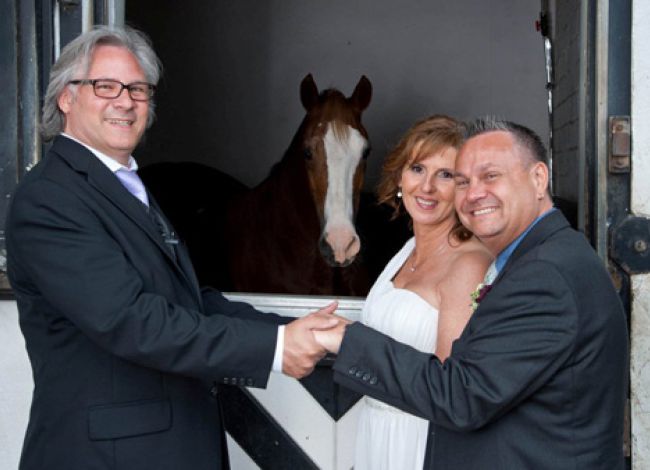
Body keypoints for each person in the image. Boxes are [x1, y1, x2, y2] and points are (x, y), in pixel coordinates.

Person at [6, 25, 338, 470]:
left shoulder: (123, 185)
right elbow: (132, 321)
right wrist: (275, 347)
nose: (125, 101)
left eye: (138, 88)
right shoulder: (51, 197)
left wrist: (295, 328)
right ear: (66, 98)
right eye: (105, 86)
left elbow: (188, 301)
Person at [315, 117, 628, 469]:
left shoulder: (545, 275)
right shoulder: (545, 257)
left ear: (539, 179)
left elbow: (461, 395)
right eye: (464, 181)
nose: (474, 193)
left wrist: (347, 340)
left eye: (491, 176)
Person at [353, 115, 492, 469]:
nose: (427, 187)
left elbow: (451, 389)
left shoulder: (468, 265)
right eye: (417, 169)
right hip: (375, 431)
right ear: (400, 177)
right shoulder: (405, 251)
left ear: (464, 188)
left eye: (445, 175)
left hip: (420, 441)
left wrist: (349, 344)